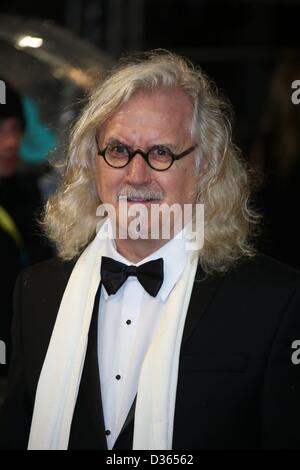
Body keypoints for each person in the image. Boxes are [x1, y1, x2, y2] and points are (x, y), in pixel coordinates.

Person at [0, 50, 300, 450]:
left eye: (161, 153)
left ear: (205, 166)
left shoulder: (276, 301)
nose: (136, 176)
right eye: (119, 151)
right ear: (94, 162)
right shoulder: (36, 292)